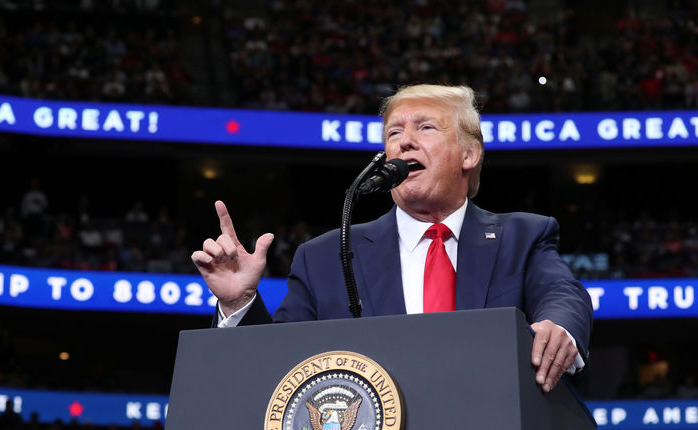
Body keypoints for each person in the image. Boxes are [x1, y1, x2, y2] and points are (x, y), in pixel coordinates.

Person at [192, 84, 593, 393]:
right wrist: (238, 302)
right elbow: (278, 369)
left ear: (469, 154)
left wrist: (559, 328)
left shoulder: (523, 236)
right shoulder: (326, 257)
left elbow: (562, 293)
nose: (404, 141)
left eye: (426, 128)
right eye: (393, 133)